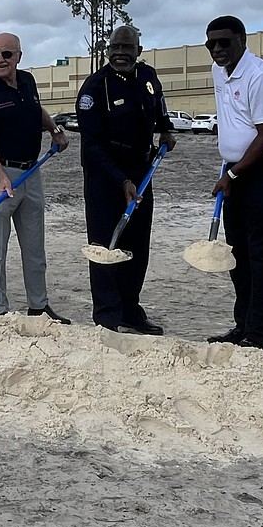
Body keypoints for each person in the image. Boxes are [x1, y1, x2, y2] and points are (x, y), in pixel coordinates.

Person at [204, 15, 263, 350]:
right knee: (238, 253)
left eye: (224, 42)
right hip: (237, 171)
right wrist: (231, 168)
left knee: (262, 255)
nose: (217, 49)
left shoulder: (261, 77)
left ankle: (259, 334)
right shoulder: (219, 70)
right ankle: (243, 325)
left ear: (242, 40)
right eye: (211, 43)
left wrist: (232, 174)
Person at [75, 25, 175, 335]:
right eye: (115, 47)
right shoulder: (95, 88)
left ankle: (130, 311)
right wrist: (121, 182)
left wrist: (166, 130)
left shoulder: (147, 76)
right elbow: (92, 146)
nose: (120, 53)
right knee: (106, 246)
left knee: (137, 245)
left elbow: (158, 106)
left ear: (138, 51)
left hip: (141, 171)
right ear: (108, 51)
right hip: (105, 176)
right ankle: (107, 317)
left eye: (127, 48)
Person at [0, 32, 71, 323]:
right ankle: (0, 311)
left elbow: (36, 110)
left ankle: (38, 306)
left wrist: (54, 130)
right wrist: (1, 176)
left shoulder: (27, 81)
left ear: (18, 57)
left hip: (31, 172)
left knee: (35, 246)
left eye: (6, 54)